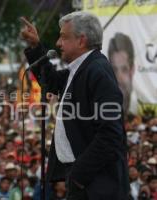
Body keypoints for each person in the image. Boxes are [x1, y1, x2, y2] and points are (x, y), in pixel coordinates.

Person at [20, 11, 129, 199]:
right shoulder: (81, 68)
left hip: (96, 185)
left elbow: (110, 133)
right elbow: (51, 81)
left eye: (63, 37)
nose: (58, 43)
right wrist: (36, 46)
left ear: (81, 40)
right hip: (85, 180)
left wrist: (79, 174)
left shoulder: (97, 71)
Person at [108, 32, 136, 116]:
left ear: (132, 70)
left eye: (124, 70)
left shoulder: (137, 108)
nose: (118, 78)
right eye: (114, 69)